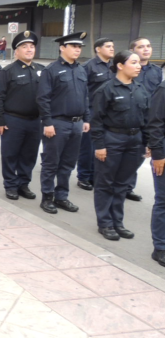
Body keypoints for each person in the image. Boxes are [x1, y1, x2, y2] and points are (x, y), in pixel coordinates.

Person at [91, 51, 148, 241]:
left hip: (134, 141)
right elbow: (96, 120)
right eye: (134, 62)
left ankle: (117, 222)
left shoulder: (140, 88)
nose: (139, 66)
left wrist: (146, 143)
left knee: (122, 185)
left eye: (139, 63)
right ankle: (105, 223)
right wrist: (99, 145)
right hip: (112, 139)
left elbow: (146, 118)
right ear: (120, 66)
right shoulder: (106, 89)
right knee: (105, 182)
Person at [36, 32, 90, 214]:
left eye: (79, 47)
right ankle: (47, 197)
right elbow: (43, 98)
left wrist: (86, 119)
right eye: (74, 46)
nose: (77, 49)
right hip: (57, 123)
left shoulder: (81, 70)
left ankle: (62, 197)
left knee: (68, 164)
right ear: (62, 48)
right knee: (51, 163)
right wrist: (47, 122)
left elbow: (85, 97)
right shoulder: (51, 70)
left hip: (76, 124)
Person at [0, 30, 44, 200]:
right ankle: (10, 185)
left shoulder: (41, 70)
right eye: (24, 46)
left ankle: (23, 184)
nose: (29, 49)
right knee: (10, 154)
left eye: (32, 46)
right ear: (16, 51)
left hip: (35, 121)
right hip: (13, 120)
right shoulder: (8, 71)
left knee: (29, 155)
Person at [126, 37, 163, 202]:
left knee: (140, 155)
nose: (146, 49)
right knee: (129, 156)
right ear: (133, 51)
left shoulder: (156, 71)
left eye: (148, 46)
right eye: (141, 47)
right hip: (131, 118)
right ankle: (117, 185)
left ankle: (127, 187)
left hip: (151, 118)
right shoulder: (130, 69)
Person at [76, 38, 115, 191]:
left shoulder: (114, 67)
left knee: (103, 146)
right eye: (108, 46)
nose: (112, 49)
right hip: (92, 111)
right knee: (88, 146)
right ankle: (84, 176)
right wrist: (86, 115)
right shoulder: (88, 67)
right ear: (98, 49)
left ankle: (95, 176)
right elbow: (82, 92)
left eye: (112, 46)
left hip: (109, 112)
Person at [146, 78, 165, 266]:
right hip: (164, 151)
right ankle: (160, 247)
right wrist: (158, 154)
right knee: (164, 200)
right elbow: (156, 123)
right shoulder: (163, 89)